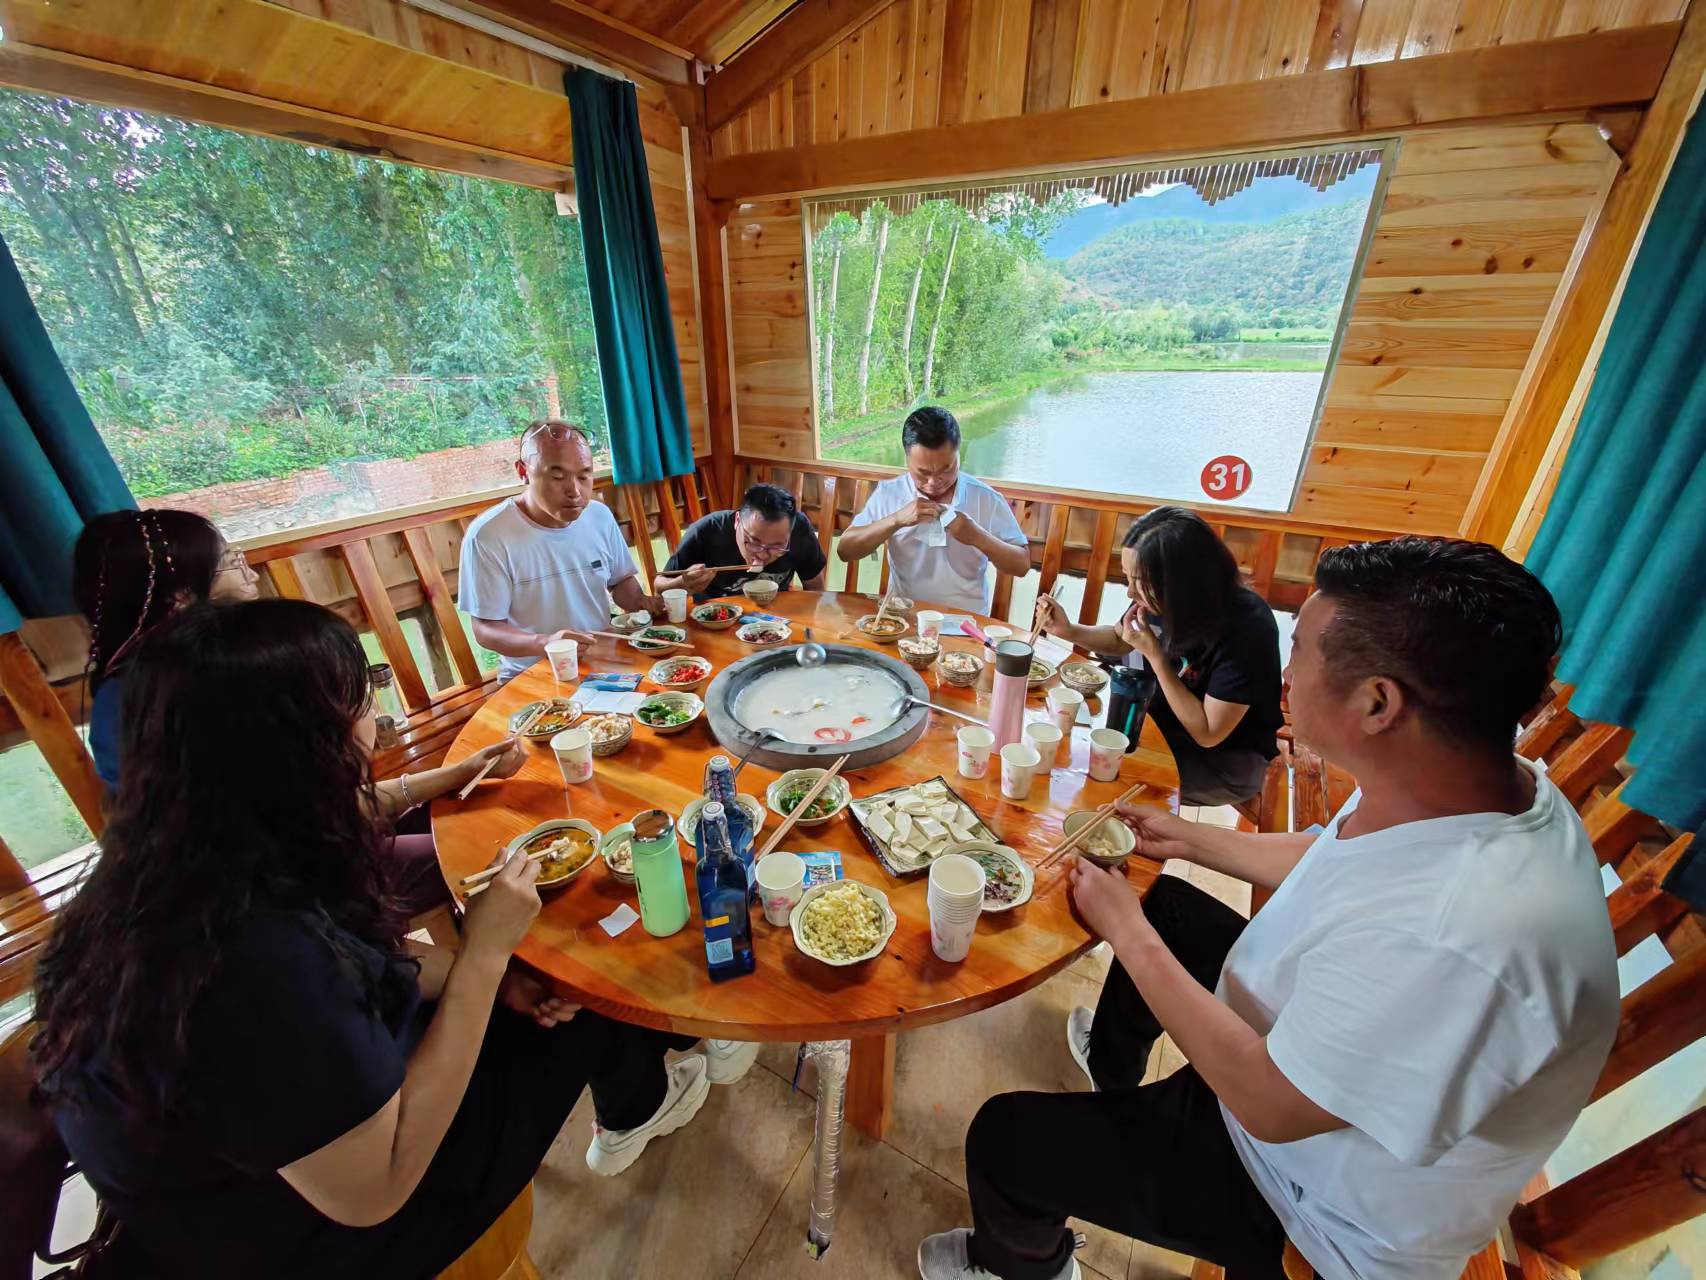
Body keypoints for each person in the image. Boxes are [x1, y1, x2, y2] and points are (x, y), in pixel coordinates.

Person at [918, 538, 1619, 1280]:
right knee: (1169, 907)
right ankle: (1114, 1079)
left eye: (1303, 651)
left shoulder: (1461, 937)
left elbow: (1269, 1103)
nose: (1284, 674)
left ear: (1378, 703)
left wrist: (1125, 930)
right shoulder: (1472, 779)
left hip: (1305, 1196)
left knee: (1007, 1138)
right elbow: (1332, 857)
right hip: (1299, 1051)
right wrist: (1186, 838)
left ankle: (1019, 1267)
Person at [32, 599, 741, 1280]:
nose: (376, 715)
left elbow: (361, 956)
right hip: (325, 1237)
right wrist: (485, 957)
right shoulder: (246, 959)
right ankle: (639, 1108)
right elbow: (377, 1189)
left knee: (548, 975)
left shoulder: (189, 853)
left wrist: (492, 978)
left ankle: (637, 1095)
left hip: (298, 1140)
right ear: (298, 746)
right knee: (587, 992)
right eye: (361, 699)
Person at [72, 509, 524, 916]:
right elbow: (304, 820)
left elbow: (326, 803)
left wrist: (459, 773)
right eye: (228, 561)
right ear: (181, 598)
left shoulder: (198, 672)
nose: (249, 570)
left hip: (299, 848)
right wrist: (474, 959)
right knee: (485, 853)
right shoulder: (182, 700)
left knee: (484, 814)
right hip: (271, 893)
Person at [1036, 507, 1282, 807]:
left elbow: (1208, 733)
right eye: (1127, 577)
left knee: (1100, 770)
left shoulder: (1247, 626)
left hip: (1219, 762)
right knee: (1069, 745)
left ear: (1183, 579)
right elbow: (1121, 639)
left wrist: (1156, 657)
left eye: (1138, 581)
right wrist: (1068, 630)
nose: (1130, 593)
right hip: (1150, 725)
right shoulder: (1160, 597)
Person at [459, 420, 661, 682]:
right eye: (557, 477)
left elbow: (620, 582)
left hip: (602, 661)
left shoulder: (599, 516)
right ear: (523, 471)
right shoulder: (489, 535)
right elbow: (485, 628)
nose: (574, 491)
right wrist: (545, 643)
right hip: (532, 673)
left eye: (584, 476)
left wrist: (645, 603)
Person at [837, 407, 1029, 613]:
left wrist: (976, 536)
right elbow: (845, 551)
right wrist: (896, 520)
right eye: (923, 473)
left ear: (959, 454)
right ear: (906, 460)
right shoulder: (890, 494)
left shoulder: (985, 498)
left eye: (947, 469)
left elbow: (1021, 565)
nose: (934, 482)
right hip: (904, 616)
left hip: (966, 621)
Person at [655, 482, 828, 601]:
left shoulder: (800, 529)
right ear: (737, 521)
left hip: (776, 619)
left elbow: (815, 589)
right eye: (753, 542)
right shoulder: (706, 531)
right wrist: (684, 583)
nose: (762, 555)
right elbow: (659, 587)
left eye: (777, 546)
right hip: (717, 619)